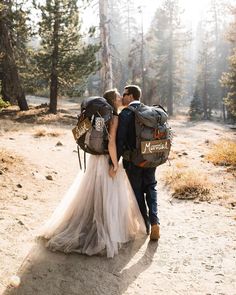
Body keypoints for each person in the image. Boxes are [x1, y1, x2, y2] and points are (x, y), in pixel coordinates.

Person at [38, 89, 145, 258]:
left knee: (90, 192)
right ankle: (103, 228)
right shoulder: (113, 116)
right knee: (107, 194)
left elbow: (80, 133)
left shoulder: (97, 114)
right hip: (104, 160)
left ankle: (87, 222)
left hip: (93, 159)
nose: (120, 98)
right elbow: (111, 143)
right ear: (113, 100)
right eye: (118, 96)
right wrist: (115, 164)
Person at [115, 85, 160, 241]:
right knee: (151, 187)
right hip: (151, 157)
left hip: (133, 160)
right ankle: (155, 221)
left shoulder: (126, 114)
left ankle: (146, 225)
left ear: (131, 96)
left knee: (138, 192)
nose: (122, 97)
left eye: (124, 94)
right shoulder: (149, 111)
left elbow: (120, 141)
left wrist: (114, 162)